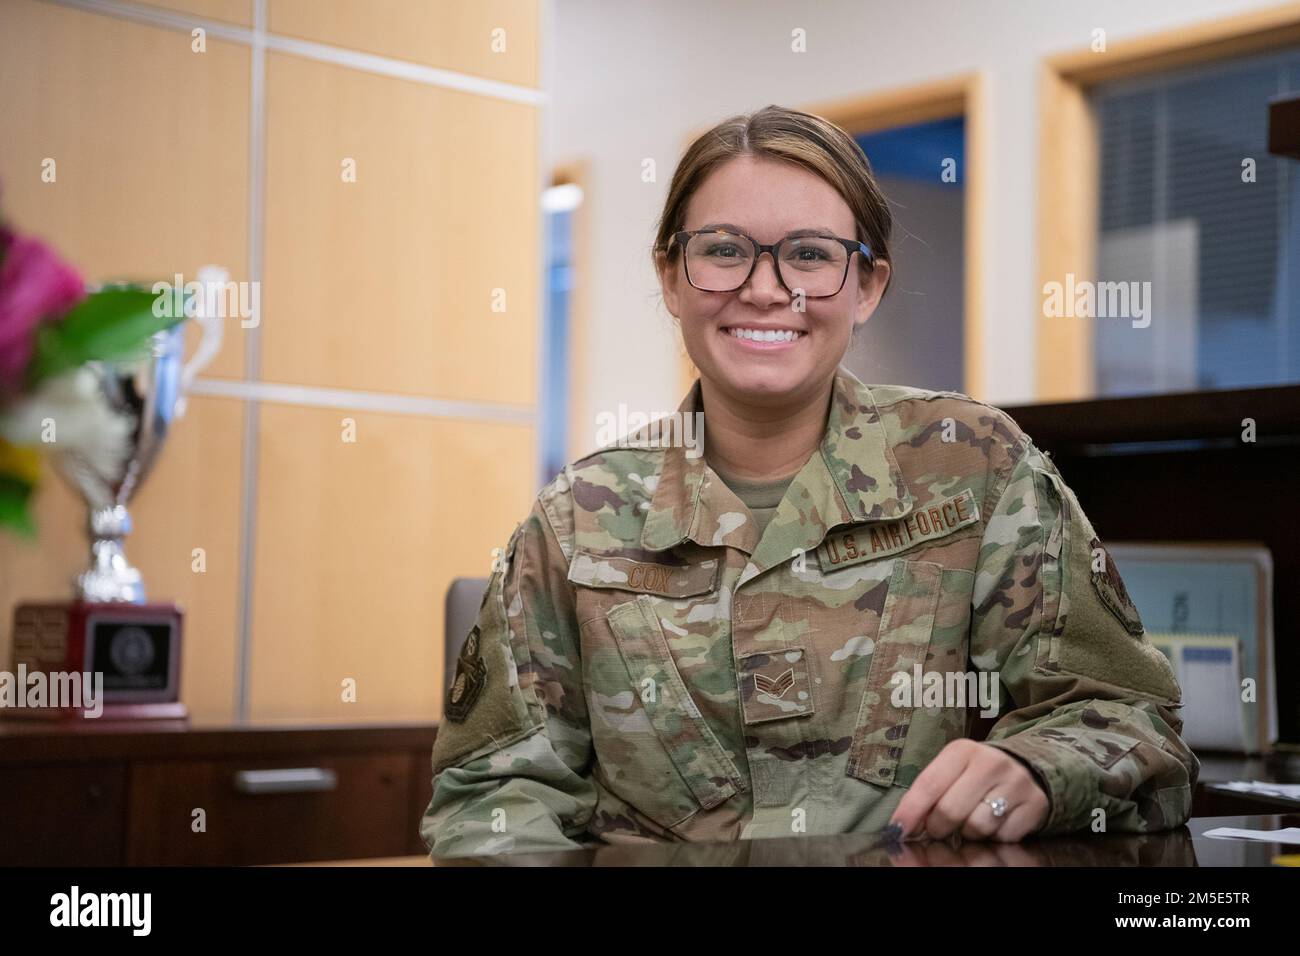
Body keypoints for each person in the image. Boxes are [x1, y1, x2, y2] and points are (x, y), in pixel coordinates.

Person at [419, 104, 1198, 857]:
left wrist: (1040, 769)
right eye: (723, 249)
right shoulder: (578, 520)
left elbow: (1131, 722)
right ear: (671, 276)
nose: (765, 288)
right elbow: (494, 795)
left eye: (811, 254)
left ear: (867, 286)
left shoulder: (974, 467)